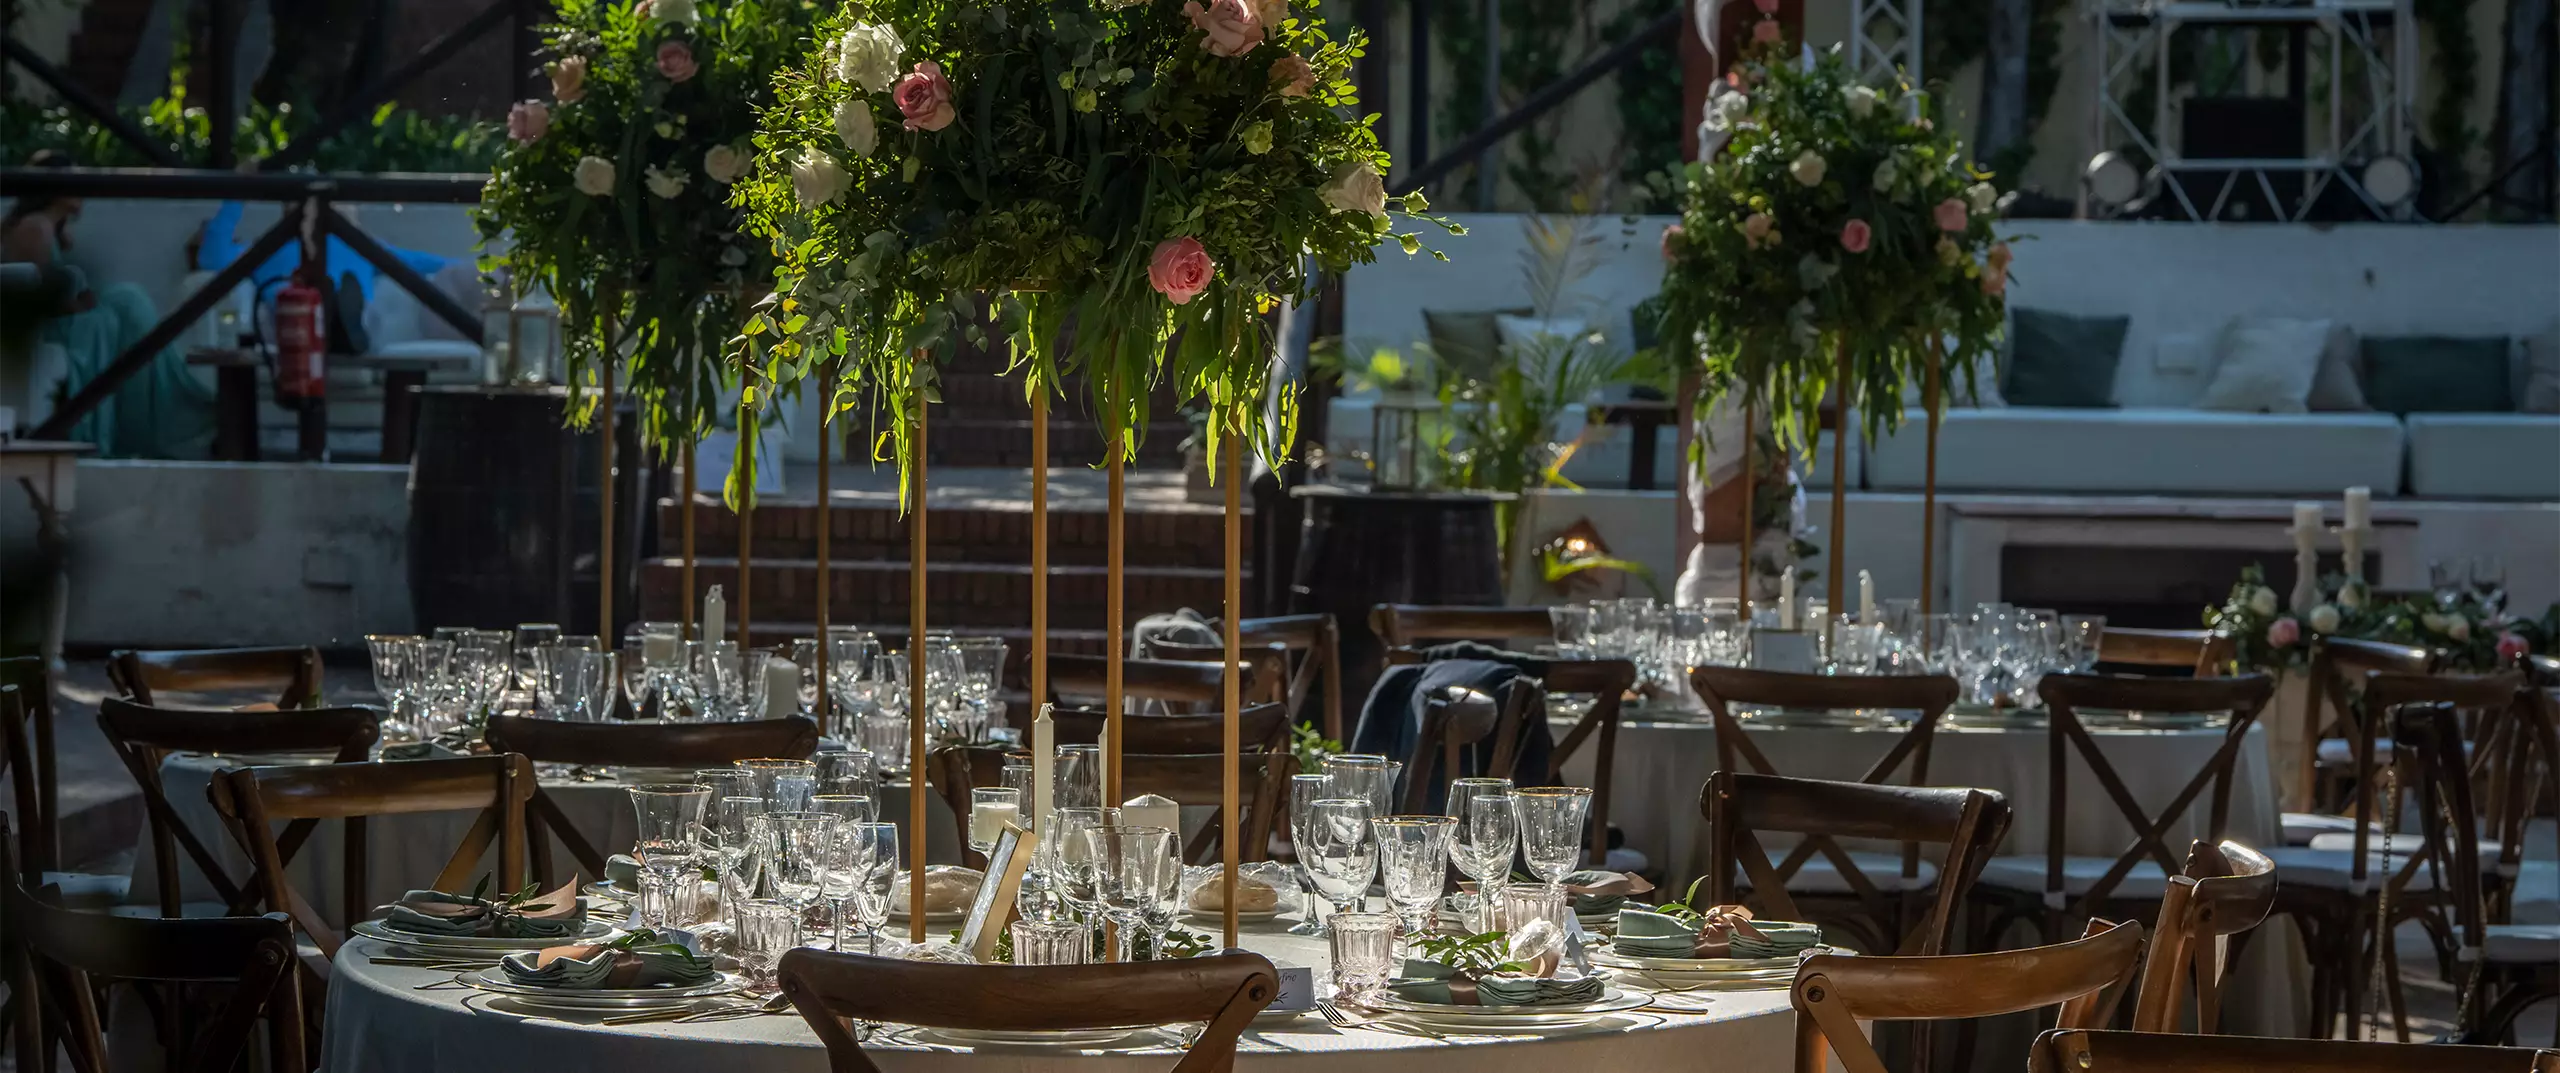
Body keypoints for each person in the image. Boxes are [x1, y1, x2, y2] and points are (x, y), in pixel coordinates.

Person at [0, 152, 214, 457]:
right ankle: (167, 403)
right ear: (53, 186)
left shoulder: (51, 229)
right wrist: (82, 303)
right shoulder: (36, 227)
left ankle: (159, 403)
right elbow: (43, 300)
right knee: (128, 304)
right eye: (75, 181)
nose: (84, 189)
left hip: (62, 321)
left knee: (128, 301)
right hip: (49, 330)